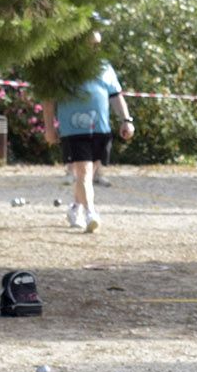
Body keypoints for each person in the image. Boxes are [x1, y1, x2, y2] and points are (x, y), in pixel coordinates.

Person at [40, 31, 131, 233]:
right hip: (73, 130)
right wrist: (49, 128)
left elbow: (116, 95)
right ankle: (91, 212)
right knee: (84, 172)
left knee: (89, 174)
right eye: (90, 44)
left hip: (100, 129)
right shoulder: (61, 69)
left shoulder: (104, 66)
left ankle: (76, 207)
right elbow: (48, 100)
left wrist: (126, 120)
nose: (94, 49)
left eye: (97, 45)